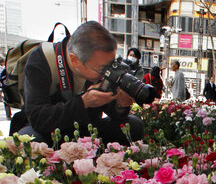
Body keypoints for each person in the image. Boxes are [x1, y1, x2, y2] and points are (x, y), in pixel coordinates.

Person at [12, 20, 143, 146]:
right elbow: (38, 118)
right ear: (75, 60)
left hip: (87, 130)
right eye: (102, 69)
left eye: (111, 65)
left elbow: (113, 112)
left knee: (134, 126)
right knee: (29, 141)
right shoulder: (42, 61)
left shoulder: (99, 64)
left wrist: (121, 105)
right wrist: (83, 102)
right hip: (50, 131)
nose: (106, 73)